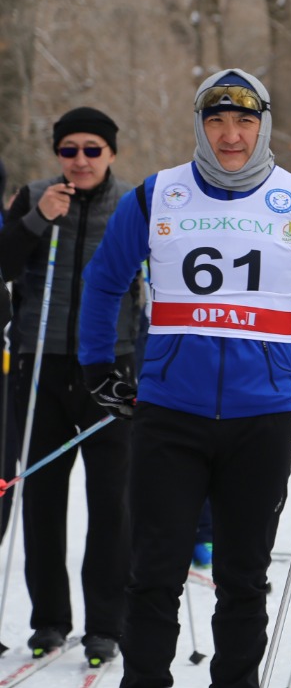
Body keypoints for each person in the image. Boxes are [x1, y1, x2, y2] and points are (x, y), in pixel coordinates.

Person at [78, 68, 291, 687]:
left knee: (243, 580)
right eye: (217, 121)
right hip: (170, 416)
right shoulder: (157, 195)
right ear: (201, 126)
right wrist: (99, 367)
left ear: (264, 125)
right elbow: (103, 283)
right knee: (154, 575)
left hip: (261, 420)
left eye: (244, 122)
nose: (231, 136)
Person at [0, 108, 137, 664]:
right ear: (57, 154)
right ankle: (49, 621)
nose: (79, 160)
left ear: (110, 154)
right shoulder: (33, 196)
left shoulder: (133, 204)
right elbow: (3, 265)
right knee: (43, 500)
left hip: (111, 368)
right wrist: (36, 220)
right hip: (41, 366)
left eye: (92, 150)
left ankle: (105, 623)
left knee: (113, 505)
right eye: (69, 150)